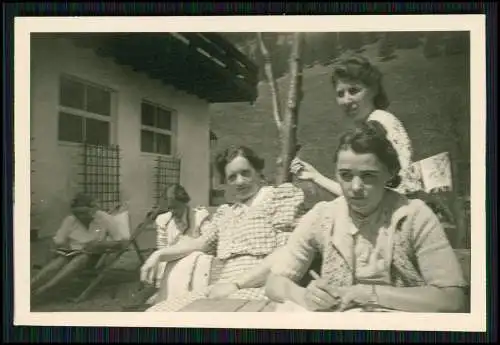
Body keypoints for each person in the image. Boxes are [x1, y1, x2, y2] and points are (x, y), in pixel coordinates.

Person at [265, 122, 467, 313]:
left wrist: (368, 294)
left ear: (390, 173)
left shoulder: (414, 216)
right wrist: (304, 295)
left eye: (368, 176)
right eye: (345, 175)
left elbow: (452, 297)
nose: (355, 187)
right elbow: (274, 283)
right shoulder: (322, 216)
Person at [140, 145, 306, 312]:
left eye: (245, 173)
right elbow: (198, 244)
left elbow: (289, 253)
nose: (239, 181)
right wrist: (159, 254)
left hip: (261, 288)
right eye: (232, 177)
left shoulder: (278, 199)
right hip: (220, 289)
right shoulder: (226, 213)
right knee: (155, 313)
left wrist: (236, 284)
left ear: (258, 172)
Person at [290, 53, 423, 198]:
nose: (346, 100)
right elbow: (362, 194)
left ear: (373, 89)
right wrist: (314, 176)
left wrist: (316, 177)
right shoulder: (377, 122)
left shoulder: (379, 123)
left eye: (353, 91)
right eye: (340, 94)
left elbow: (384, 193)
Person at [31, 193, 126, 301]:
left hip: (94, 256)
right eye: (77, 213)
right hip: (71, 253)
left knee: (81, 258)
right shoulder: (70, 220)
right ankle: (29, 287)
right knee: (58, 261)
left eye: (84, 213)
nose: (80, 217)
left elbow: (120, 243)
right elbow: (57, 241)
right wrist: (52, 254)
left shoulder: (105, 218)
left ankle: (44, 290)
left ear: (93, 209)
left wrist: (100, 245)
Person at [147, 183, 211, 304]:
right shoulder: (163, 220)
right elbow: (162, 250)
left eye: (176, 207)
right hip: (172, 265)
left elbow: (209, 242)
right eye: (169, 208)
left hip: (195, 263)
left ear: (184, 202)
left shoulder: (199, 216)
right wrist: (160, 285)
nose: (173, 212)